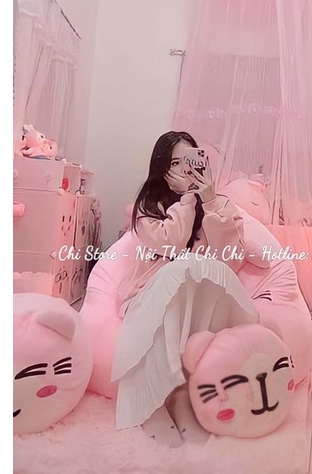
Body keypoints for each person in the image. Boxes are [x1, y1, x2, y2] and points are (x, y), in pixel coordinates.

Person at [110, 131, 261, 446]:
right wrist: (187, 200)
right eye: (175, 163)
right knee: (182, 268)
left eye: (190, 161)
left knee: (201, 269)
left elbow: (228, 259)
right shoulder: (148, 206)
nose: (184, 170)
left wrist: (209, 199)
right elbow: (171, 245)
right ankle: (159, 399)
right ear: (162, 168)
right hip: (154, 296)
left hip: (202, 299)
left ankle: (185, 395)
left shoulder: (220, 205)